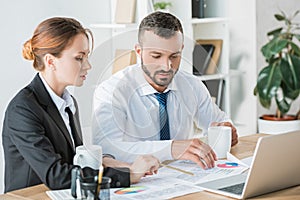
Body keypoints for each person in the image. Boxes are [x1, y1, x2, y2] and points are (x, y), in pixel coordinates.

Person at [2, 17, 159, 193]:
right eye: (79, 58)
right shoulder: (23, 110)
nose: (88, 65)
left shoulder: (68, 102)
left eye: (87, 57)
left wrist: (121, 166)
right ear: (51, 61)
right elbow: (57, 176)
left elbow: (75, 161)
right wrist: (128, 174)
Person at [92, 11, 238, 169]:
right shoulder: (111, 91)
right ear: (139, 52)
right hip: (138, 181)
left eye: (174, 56)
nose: (166, 66)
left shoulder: (192, 85)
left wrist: (228, 128)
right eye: (156, 56)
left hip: (186, 176)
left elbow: (217, 121)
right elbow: (108, 149)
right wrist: (170, 149)